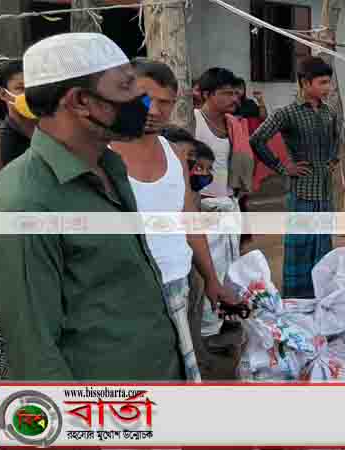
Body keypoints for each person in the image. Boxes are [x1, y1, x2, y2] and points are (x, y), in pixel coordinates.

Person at [0, 33, 182, 380]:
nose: (144, 103)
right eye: (127, 87)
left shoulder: (110, 167)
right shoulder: (24, 203)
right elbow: (33, 352)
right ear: (80, 101)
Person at [110, 59, 240, 382]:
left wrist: (211, 278)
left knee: (180, 370)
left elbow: (189, 220)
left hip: (181, 284)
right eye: (144, 98)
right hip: (128, 293)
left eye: (164, 102)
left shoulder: (174, 154)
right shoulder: (105, 153)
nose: (153, 109)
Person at [250, 56, 342, 298]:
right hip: (301, 191)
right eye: (322, 83)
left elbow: (335, 139)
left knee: (323, 245)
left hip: (324, 192)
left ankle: (321, 297)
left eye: (328, 83)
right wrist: (283, 168)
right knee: (300, 247)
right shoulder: (287, 113)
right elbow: (257, 139)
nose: (327, 88)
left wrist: (333, 159)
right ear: (305, 82)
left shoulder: (329, 112)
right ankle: (296, 299)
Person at [194, 67, 255, 339]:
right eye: (226, 93)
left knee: (232, 265)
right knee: (210, 270)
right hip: (204, 206)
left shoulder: (233, 125)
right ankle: (208, 330)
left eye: (235, 92)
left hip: (229, 202)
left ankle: (228, 317)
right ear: (207, 94)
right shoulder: (193, 121)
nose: (234, 98)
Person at [0, 60, 38, 175]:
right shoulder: (0, 144)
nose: (29, 94)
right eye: (21, 88)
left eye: (34, 87)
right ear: (3, 94)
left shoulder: (55, 130)